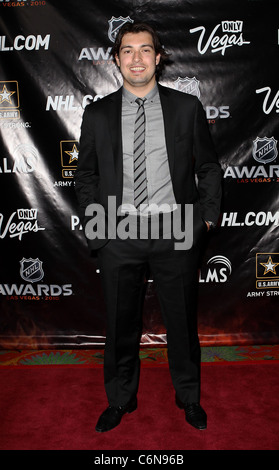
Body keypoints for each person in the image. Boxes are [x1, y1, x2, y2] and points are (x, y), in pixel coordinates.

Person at [74, 22, 222, 433]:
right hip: (117, 231)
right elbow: (85, 175)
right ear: (117, 58)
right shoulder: (98, 113)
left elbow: (208, 167)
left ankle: (188, 396)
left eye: (144, 50)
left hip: (176, 228)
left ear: (158, 58)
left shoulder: (185, 108)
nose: (136, 58)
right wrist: (95, 223)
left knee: (182, 321)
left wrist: (206, 217)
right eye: (127, 51)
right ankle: (120, 399)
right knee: (121, 325)